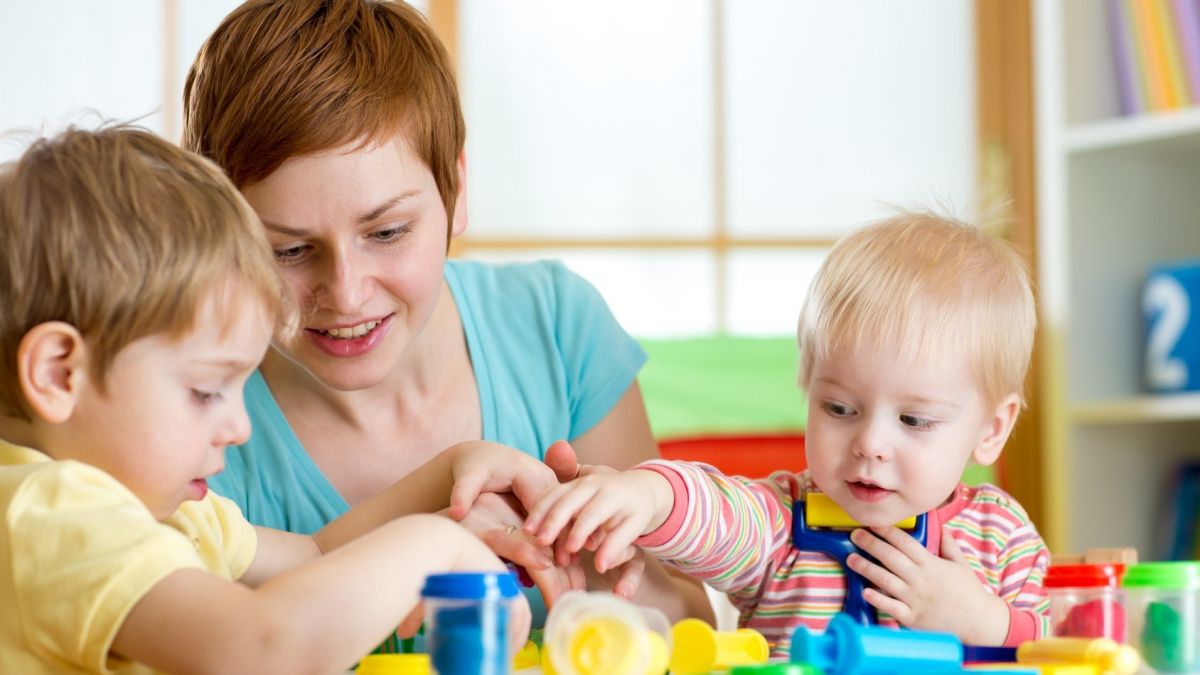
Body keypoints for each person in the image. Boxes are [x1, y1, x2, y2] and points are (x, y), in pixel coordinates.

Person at [181, 0, 712, 623]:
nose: (347, 294)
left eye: (387, 233)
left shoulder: (558, 327)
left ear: (456, 191)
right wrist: (419, 554)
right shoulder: (189, 401)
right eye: (290, 250)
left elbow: (690, 626)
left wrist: (596, 561)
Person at [0, 126, 531, 673]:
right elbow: (260, 649)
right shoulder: (50, 514)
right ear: (59, 373)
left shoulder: (167, 513)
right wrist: (434, 546)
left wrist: (452, 469)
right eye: (206, 390)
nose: (239, 426)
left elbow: (318, 555)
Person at [521, 210, 1052, 655]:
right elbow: (715, 511)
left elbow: (1064, 645)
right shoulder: (780, 521)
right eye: (839, 408)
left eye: (913, 420)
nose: (870, 443)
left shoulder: (1000, 536)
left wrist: (988, 624)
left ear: (991, 429)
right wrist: (649, 494)